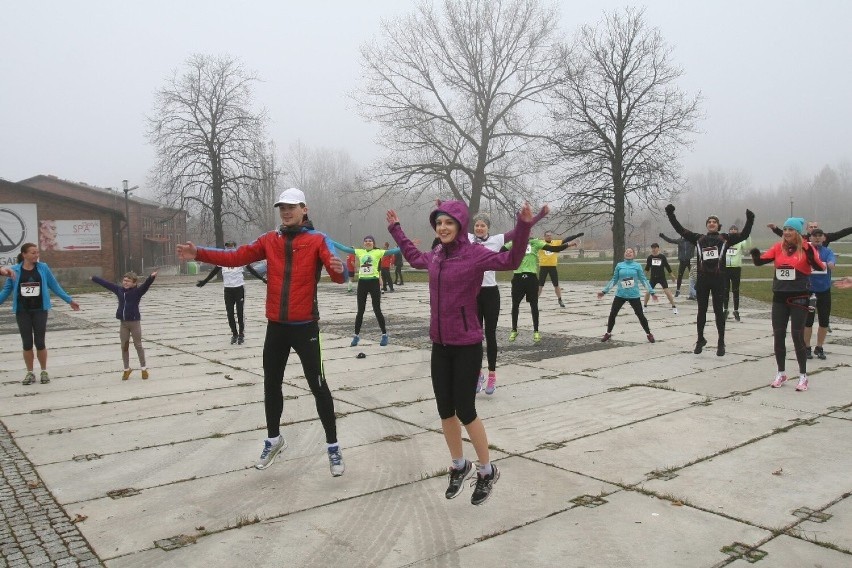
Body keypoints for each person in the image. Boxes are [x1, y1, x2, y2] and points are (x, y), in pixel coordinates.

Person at [176, 187, 347, 476]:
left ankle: (333, 447)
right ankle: (273, 439)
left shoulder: (318, 240)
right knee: (271, 384)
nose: (286, 211)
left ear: (304, 208)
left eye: (292, 206)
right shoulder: (270, 240)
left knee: (318, 386)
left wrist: (339, 268)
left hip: (306, 327)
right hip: (276, 328)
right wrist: (199, 253)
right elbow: (236, 256)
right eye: (282, 207)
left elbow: (339, 277)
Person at [386, 199, 535, 506]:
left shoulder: (475, 254)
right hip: (439, 345)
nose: (442, 228)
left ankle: (485, 470)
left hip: (466, 344)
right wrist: (396, 230)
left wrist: (522, 227)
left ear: (460, 226)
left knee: (465, 410)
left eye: (448, 223)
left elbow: (512, 261)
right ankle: (458, 465)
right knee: (445, 410)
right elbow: (414, 258)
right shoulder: (437, 255)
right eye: (439, 223)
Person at [469, 206, 548, 395]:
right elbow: (451, 226)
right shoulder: (469, 239)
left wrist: (539, 215)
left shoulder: (496, 241)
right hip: (473, 293)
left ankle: (492, 376)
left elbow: (519, 230)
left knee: (490, 334)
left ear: (488, 227)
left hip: (491, 294)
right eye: (477, 225)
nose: (479, 228)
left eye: (482, 225)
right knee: (474, 337)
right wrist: (440, 209)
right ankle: (478, 373)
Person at [665, 204, 754, 356]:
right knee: (701, 311)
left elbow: (744, 235)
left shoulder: (725, 238)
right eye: (709, 222)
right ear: (707, 225)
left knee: (719, 312)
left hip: (719, 280)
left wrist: (750, 219)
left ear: (718, 225)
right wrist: (670, 214)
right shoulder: (699, 238)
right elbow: (680, 230)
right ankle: (700, 339)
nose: (712, 223)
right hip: (703, 280)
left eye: (714, 221)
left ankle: (721, 342)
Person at [750, 218, 825, 392]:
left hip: (799, 297)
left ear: (798, 232)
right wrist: (755, 255)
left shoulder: (807, 247)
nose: (787, 232)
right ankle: (781, 373)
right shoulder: (778, 247)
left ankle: (803, 376)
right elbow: (760, 261)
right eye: (784, 229)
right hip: (779, 298)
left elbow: (819, 266)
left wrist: (810, 256)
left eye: (790, 229)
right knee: (778, 335)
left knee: (797, 335)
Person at [0, 243, 80, 385]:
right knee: (27, 343)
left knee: (40, 342)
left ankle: (44, 371)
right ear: (24, 254)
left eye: (37, 252)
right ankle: (30, 373)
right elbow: (6, 290)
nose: (36, 255)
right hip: (22, 311)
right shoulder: (14, 270)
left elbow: (54, 285)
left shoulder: (43, 267)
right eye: (32, 253)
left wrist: (69, 300)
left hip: (40, 310)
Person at [505, 230, 583, 343]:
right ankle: (514, 329)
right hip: (518, 278)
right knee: (515, 304)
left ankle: (536, 331)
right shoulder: (515, 242)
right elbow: (501, 250)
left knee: (535, 304)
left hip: (532, 277)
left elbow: (555, 248)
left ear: (531, 233)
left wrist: (570, 243)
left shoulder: (536, 243)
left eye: (529, 231)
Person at [330, 236, 400, 347]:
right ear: (363, 243)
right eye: (366, 241)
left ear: (373, 243)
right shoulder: (360, 251)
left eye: (370, 241)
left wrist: (407, 245)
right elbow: (344, 248)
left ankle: (384, 335)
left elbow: (394, 251)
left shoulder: (378, 252)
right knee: (360, 311)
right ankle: (356, 336)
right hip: (362, 283)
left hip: (373, 283)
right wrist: (329, 241)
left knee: (377, 310)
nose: (368, 242)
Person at [196, 240, 267, 345]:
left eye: (232, 247)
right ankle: (234, 334)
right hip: (228, 290)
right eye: (228, 247)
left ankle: (241, 334)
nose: (230, 249)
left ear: (235, 248)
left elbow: (252, 270)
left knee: (239, 312)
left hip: (238, 289)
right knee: (230, 313)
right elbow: (213, 272)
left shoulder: (241, 259)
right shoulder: (223, 261)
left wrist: (262, 279)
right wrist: (204, 281)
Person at [92, 271, 158, 380]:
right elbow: (106, 284)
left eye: (128, 281)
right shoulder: (119, 290)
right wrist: (94, 278)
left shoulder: (137, 292)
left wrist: (151, 277)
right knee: (124, 346)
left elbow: (146, 285)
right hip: (123, 324)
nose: (125, 282)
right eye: (124, 280)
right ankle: (126, 370)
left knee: (138, 345)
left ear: (134, 283)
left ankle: (144, 369)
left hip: (134, 323)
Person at [598, 248, 658, 342]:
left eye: (630, 252)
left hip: (633, 295)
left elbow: (643, 280)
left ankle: (648, 334)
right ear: (624, 254)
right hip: (620, 295)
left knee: (640, 315)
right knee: (612, 314)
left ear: (634, 255)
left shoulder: (637, 266)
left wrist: (652, 292)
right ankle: (608, 333)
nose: (628, 253)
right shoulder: (619, 265)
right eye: (626, 251)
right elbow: (614, 280)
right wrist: (604, 291)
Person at [803, 229, 835, 360]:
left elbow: (831, 262)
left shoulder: (827, 252)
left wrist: (830, 264)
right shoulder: (806, 251)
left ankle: (819, 347)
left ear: (823, 238)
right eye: (814, 236)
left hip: (824, 292)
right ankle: (806, 347)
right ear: (810, 237)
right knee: (808, 321)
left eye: (819, 236)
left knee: (824, 321)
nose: (817, 238)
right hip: (809, 291)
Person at [537, 230, 575, 308]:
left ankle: (560, 299)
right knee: (540, 285)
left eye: (550, 235)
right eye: (547, 235)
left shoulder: (555, 242)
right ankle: (535, 301)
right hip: (543, 267)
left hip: (552, 267)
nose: (549, 236)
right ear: (544, 237)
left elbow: (566, 240)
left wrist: (576, 236)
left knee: (556, 285)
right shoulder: (540, 243)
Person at [723, 225, 751, 321]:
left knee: (735, 290)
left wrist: (747, 235)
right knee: (725, 289)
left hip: (736, 268)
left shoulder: (740, 242)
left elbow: (747, 247)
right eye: (732, 229)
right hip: (726, 268)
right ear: (729, 231)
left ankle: (736, 310)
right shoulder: (725, 241)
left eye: (735, 229)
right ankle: (725, 309)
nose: (733, 231)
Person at [659, 231, 695, 299]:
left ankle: (694, 291)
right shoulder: (680, 241)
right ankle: (678, 290)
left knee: (693, 276)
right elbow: (670, 240)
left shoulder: (692, 241)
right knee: (680, 276)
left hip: (690, 261)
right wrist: (663, 236)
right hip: (682, 261)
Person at [643, 243, 677, 314]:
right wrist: (643, 276)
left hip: (662, 277)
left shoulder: (662, 257)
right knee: (648, 292)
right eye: (652, 248)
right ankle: (645, 306)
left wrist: (672, 275)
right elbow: (647, 268)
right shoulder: (650, 258)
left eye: (655, 248)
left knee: (667, 292)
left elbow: (667, 266)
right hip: (653, 278)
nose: (653, 250)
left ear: (658, 248)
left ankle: (674, 307)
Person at [767, 220, 852, 245]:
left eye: (815, 227)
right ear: (807, 229)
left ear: (818, 228)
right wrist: (775, 228)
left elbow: (841, 233)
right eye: (811, 227)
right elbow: (787, 234)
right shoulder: (803, 238)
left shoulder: (826, 237)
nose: (813, 228)